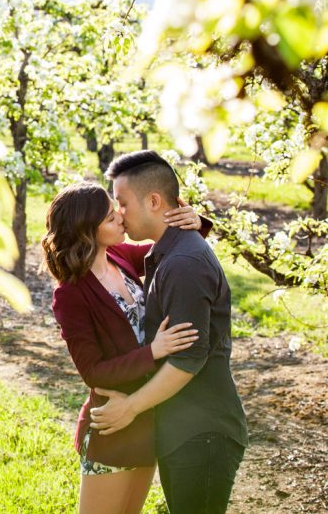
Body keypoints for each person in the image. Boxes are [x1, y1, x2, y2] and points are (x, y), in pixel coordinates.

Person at [89, 150, 249, 514]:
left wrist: (130, 408)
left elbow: (188, 360)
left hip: (203, 432)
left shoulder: (183, 264)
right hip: (186, 429)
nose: (118, 213)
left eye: (123, 202)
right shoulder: (167, 253)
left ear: (155, 201)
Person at [44, 181, 208, 514]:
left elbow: (170, 244)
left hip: (147, 417)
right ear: (87, 232)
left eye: (115, 209)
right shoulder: (71, 295)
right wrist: (154, 352)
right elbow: (92, 371)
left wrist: (194, 219)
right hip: (113, 425)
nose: (121, 217)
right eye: (109, 217)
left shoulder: (120, 255)